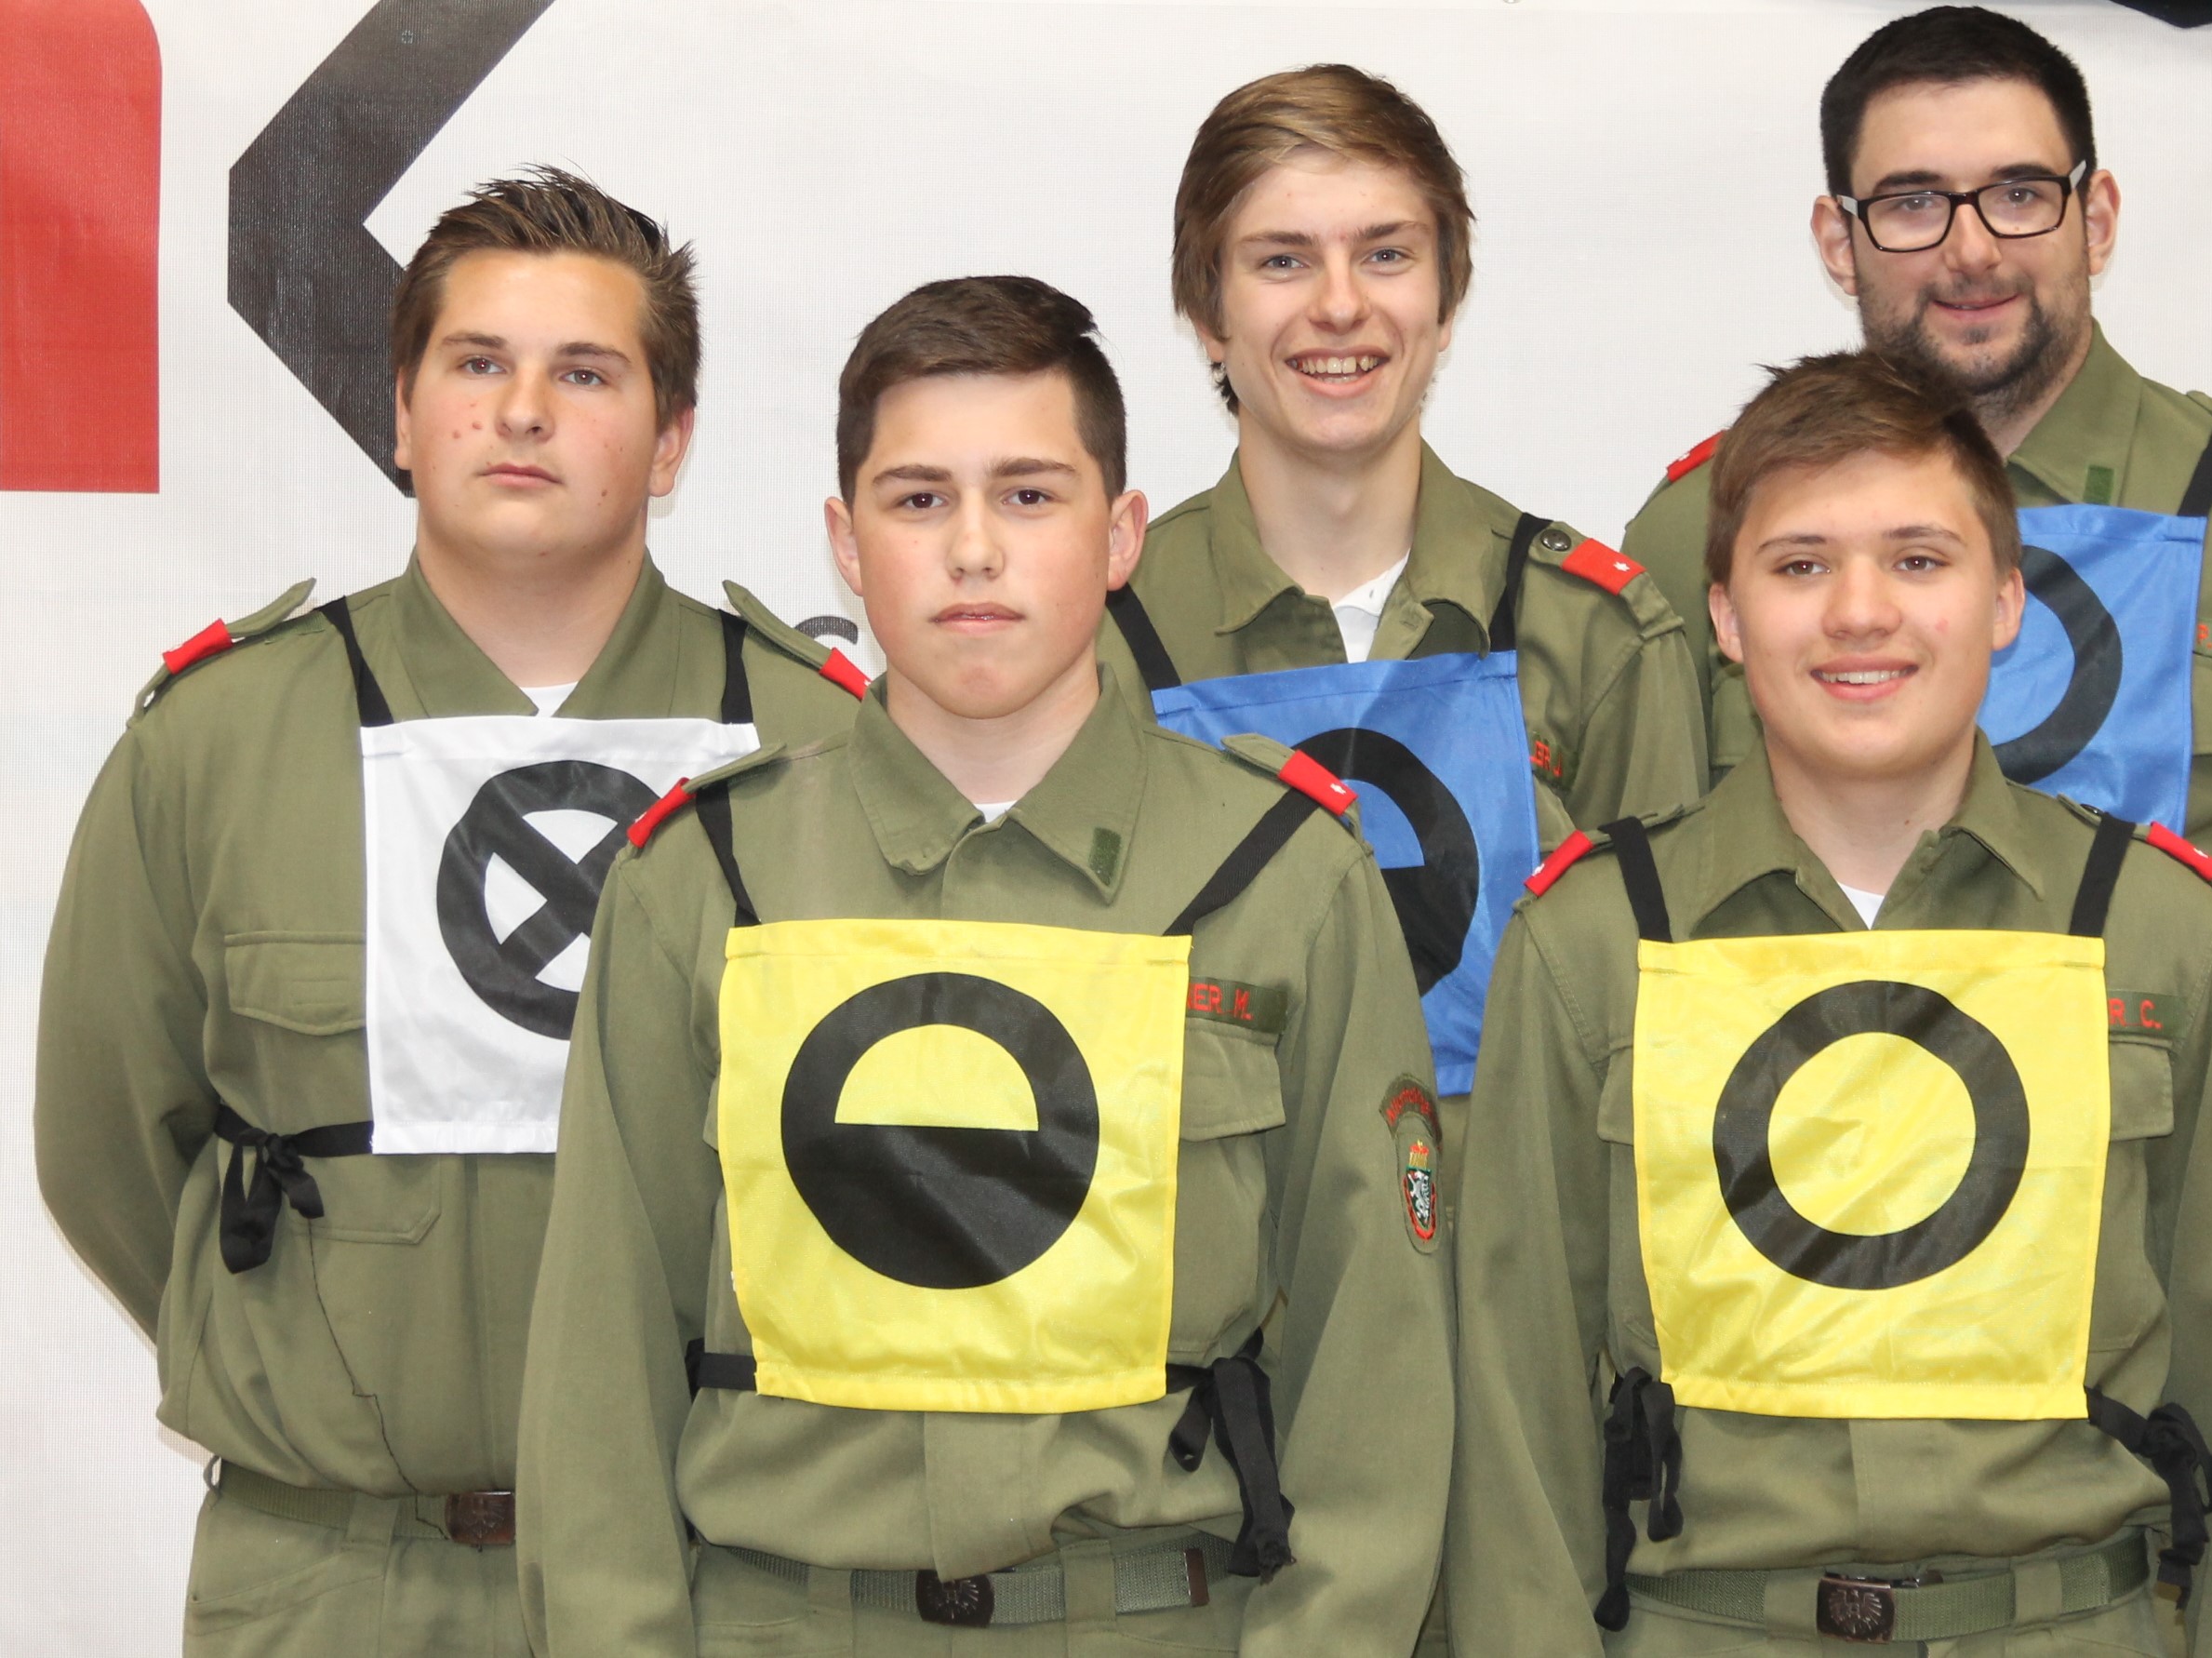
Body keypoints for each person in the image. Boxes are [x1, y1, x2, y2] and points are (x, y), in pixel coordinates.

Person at [517, 274, 1451, 1654]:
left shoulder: (1281, 877)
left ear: (1119, 534)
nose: (971, 550)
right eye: (917, 499)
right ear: (845, 543)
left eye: (1027, 495)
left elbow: (1376, 1376)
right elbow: (599, 1367)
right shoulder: (704, 882)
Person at [33, 168, 857, 1654]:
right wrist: (312, 1362)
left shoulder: (822, 749)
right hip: (334, 1579)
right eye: (477, 363)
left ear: (671, 437)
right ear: (402, 414)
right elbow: (108, 1145)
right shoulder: (218, 744)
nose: (521, 412)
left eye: (584, 373)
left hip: (727, 1580)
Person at [1448, 351, 2212, 1655]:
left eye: (1918, 560)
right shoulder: (1592, 949)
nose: (1859, 612)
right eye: (1800, 565)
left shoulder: (2157, 938)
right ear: (1724, 615)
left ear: (2005, 601)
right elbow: (1517, 1443)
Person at [1621, 4, 2212, 1267]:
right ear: (1838, 239)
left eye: (2017, 194)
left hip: (2163, 1281)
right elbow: (1644, 940)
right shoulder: (1705, 531)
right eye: (1911, 203)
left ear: (2094, 216)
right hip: (1792, 1276)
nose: (1969, 250)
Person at [1099, 63, 1706, 1163]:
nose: (1340, 304)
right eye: (1282, 260)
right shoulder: (1101, 641)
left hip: (1523, 1266)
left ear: (1446, 297)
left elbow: (1671, 1054)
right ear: (1206, 314)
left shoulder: (1596, 635)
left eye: (1385, 254)